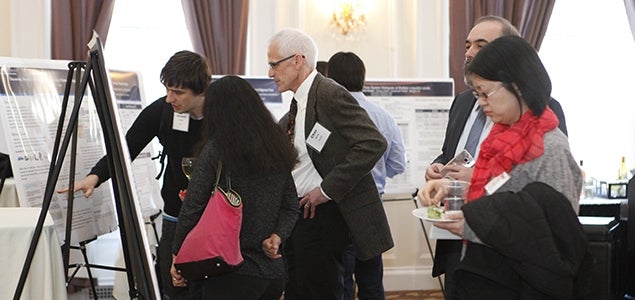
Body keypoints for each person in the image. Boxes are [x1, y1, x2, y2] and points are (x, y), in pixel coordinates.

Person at [419, 35, 583, 298]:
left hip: (524, 284)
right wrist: (454, 188)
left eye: (486, 93)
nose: (481, 103)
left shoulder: (550, 147)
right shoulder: (502, 136)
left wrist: (471, 224)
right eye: (477, 94)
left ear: (518, 86)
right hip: (489, 274)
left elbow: (556, 235)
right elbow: (500, 195)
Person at [57, 50, 211, 300]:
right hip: (175, 215)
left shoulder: (224, 114)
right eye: (167, 89)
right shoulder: (162, 110)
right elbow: (124, 148)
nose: (170, 98)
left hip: (214, 217)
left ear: (201, 90)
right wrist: (95, 176)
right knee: (174, 287)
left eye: (179, 92)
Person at [266, 28, 392, 300]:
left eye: (274, 64)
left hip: (322, 217)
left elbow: (373, 143)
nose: (270, 73)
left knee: (323, 291)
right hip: (297, 216)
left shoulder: (328, 93)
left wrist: (326, 189)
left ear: (297, 60)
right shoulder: (298, 104)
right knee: (298, 290)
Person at [169, 75, 299, 299]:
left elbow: (192, 208)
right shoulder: (276, 147)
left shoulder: (217, 150)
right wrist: (277, 236)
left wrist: (176, 256)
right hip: (271, 275)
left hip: (227, 272)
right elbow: (290, 206)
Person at [326, 51, 407, 300]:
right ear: (363, 78)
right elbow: (398, 163)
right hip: (373, 210)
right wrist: (377, 176)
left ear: (330, 79)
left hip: (338, 210)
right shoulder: (384, 116)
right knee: (372, 282)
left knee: (342, 283)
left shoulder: (327, 115)